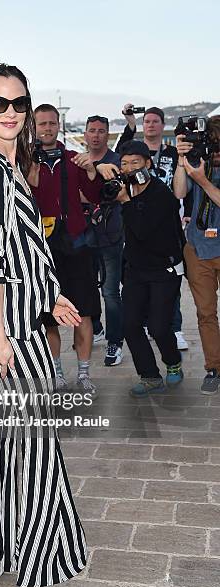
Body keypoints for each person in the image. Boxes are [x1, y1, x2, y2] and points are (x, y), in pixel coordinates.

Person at [0, 63, 87, 587]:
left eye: (18, 103)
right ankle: (35, 555)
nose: (10, 113)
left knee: (12, 439)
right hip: (3, 327)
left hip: (22, 318)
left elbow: (23, 247)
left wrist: (50, 294)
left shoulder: (10, 168)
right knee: (29, 439)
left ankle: (1, 551)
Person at [97, 141, 184, 396]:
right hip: (136, 270)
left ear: (148, 163)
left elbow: (144, 232)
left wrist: (125, 202)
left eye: (135, 162)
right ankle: (149, 375)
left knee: (158, 327)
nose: (129, 167)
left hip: (164, 270)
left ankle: (173, 361)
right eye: (124, 163)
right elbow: (94, 178)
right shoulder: (125, 188)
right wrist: (101, 166)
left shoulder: (161, 194)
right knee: (130, 325)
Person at [27, 104, 102, 395]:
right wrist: (30, 170)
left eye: (52, 123)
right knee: (47, 316)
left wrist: (92, 170)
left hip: (76, 243)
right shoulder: (23, 162)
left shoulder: (74, 159)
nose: (47, 128)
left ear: (59, 125)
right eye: (42, 123)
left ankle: (83, 373)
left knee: (83, 312)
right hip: (42, 249)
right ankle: (55, 372)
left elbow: (96, 197)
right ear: (33, 127)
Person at [118, 104, 188, 350]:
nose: (150, 125)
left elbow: (183, 186)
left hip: (165, 220)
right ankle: (156, 332)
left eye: (155, 121)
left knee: (167, 299)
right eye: (146, 121)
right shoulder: (127, 170)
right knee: (134, 319)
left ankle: (173, 329)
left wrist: (187, 212)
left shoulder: (170, 153)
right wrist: (130, 124)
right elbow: (120, 153)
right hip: (137, 241)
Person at [173, 116, 220, 394]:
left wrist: (202, 180)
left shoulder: (205, 170)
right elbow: (179, 191)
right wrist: (182, 162)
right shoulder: (195, 160)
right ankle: (213, 367)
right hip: (198, 248)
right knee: (205, 314)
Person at [84, 115, 124, 365]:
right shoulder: (80, 161)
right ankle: (96, 329)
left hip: (111, 234)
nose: (96, 135)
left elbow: (119, 195)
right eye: (92, 131)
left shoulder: (117, 161)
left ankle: (115, 342)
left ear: (107, 134)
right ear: (86, 134)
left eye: (101, 131)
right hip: (85, 234)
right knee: (87, 287)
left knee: (110, 291)